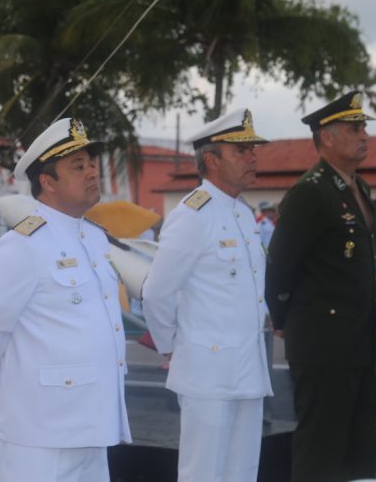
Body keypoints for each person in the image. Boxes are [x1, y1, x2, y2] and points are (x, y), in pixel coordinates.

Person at [0, 118, 130, 482]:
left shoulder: (94, 238)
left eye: (91, 164)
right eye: (78, 166)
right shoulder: (23, 244)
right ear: (48, 182)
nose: (92, 172)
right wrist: (15, 383)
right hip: (36, 432)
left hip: (92, 425)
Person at [142, 108, 273, 482]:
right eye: (241, 151)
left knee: (242, 472)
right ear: (211, 160)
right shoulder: (192, 214)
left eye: (252, 150)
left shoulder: (244, 214)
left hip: (247, 369)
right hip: (207, 372)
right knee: (203, 473)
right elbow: (157, 292)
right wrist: (172, 348)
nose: (252, 157)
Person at [265, 91, 376, 482]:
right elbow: (280, 266)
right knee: (322, 448)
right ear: (326, 137)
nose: (364, 136)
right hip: (322, 342)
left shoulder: (359, 188)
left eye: (364, 128)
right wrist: (284, 319)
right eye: (354, 129)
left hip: (359, 340)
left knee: (359, 446)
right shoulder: (311, 192)